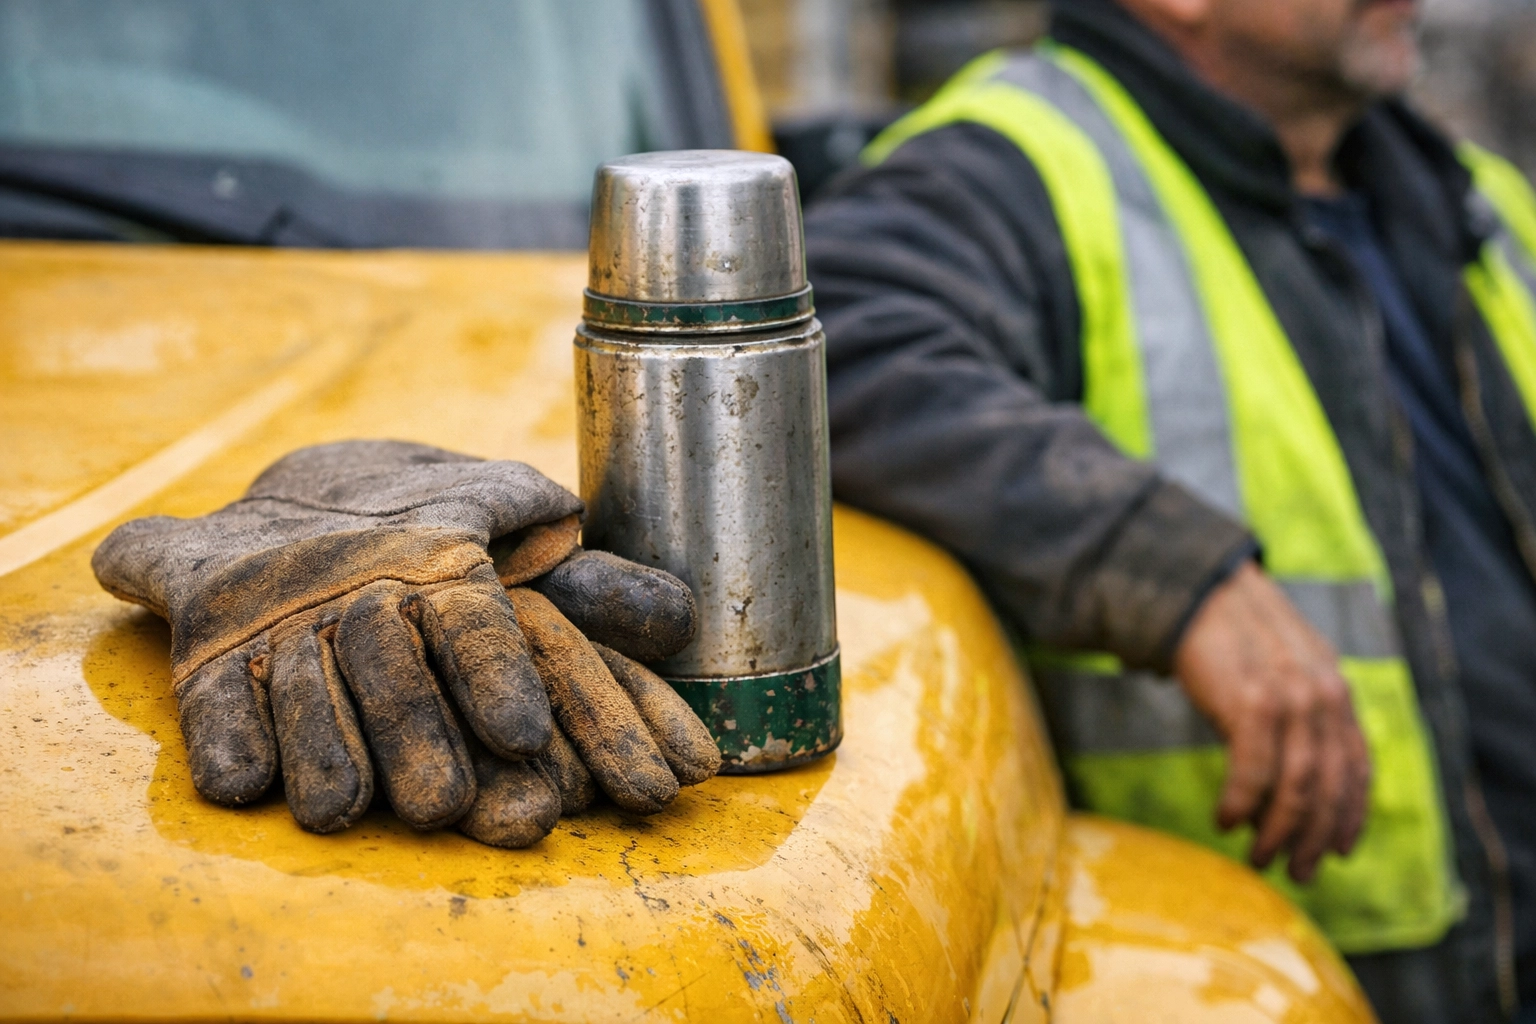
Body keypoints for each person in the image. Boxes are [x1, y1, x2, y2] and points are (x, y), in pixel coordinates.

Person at [804, 0, 1536, 1019]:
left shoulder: (1471, 197)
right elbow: (820, 333)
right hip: (1259, 978)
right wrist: (1170, 570)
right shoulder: (1016, 167)